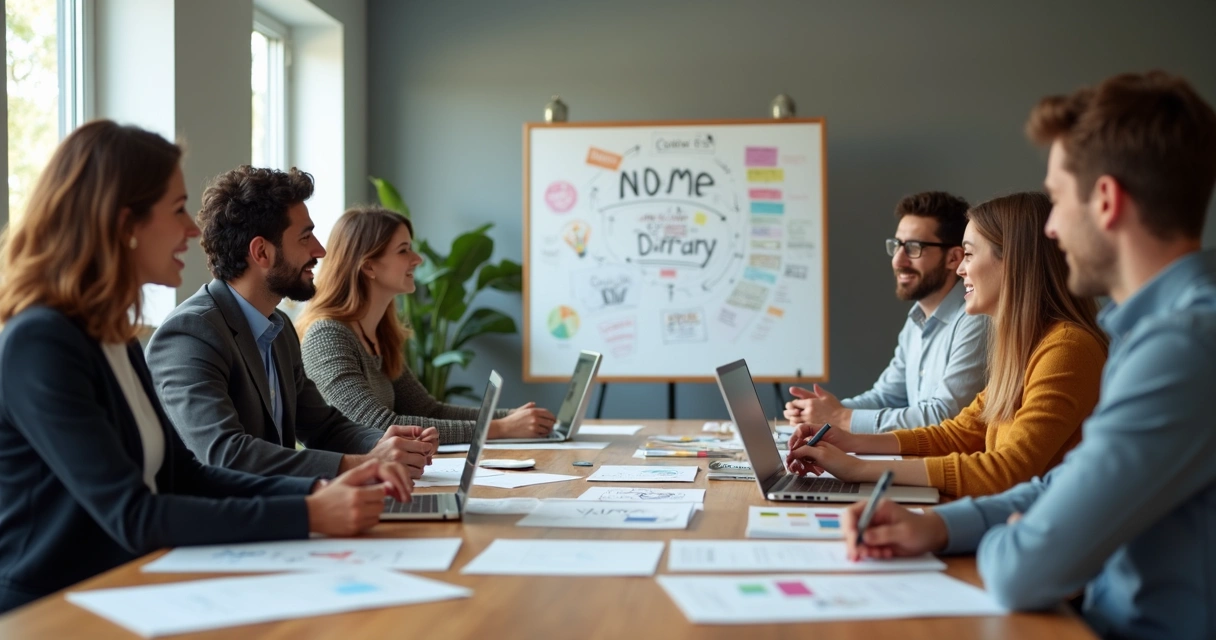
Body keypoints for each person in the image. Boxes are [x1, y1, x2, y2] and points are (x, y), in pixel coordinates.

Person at [832, 71, 1216, 640]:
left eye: (1058, 199)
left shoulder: (1181, 346)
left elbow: (1022, 570)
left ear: (1106, 201)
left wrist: (1017, 538)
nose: (1052, 229)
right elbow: (1056, 487)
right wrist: (936, 526)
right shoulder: (1153, 331)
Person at [0, 121, 412, 613]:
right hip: (55, 611)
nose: (192, 230)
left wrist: (321, 492)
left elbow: (185, 475)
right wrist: (307, 512)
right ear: (123, 224)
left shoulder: (114, 337)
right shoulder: (41, 342)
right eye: (176, 209)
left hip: (126, 589)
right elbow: (135, 514)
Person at [786, 192, 1107, 498]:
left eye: (968, 254)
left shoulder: (1067, 350)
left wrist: (858, 468)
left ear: (1014, 262)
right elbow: (959, 433)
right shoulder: (1028, 347)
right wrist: (851, 440)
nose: (961, 268)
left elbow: (1008, 469)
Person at [146, 166, 435, 479]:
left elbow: (323, 427)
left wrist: (386, 443)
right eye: (305, 237)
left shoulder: (278, 328)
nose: (320, 251)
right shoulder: (191, 334)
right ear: (262, 252)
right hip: (224, 523)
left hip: (277, 512)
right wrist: (364, 463)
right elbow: (225, 454)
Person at [297, 206, 556, 443]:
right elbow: (379, 426)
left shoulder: (379, 335)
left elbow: (428, 410)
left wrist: (511, 416)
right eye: (403, 250)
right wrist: (501, 427)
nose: (417, 259)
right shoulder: (327, 336)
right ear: (369, 267)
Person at [784, 192, 988, 433]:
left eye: (914, 248)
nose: (898, 261)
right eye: (897, 245)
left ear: (953, 258)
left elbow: (943, 417)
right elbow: (886, 397)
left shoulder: (975, 319)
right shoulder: (917, 320)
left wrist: (839, 417)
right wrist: (821, 410)